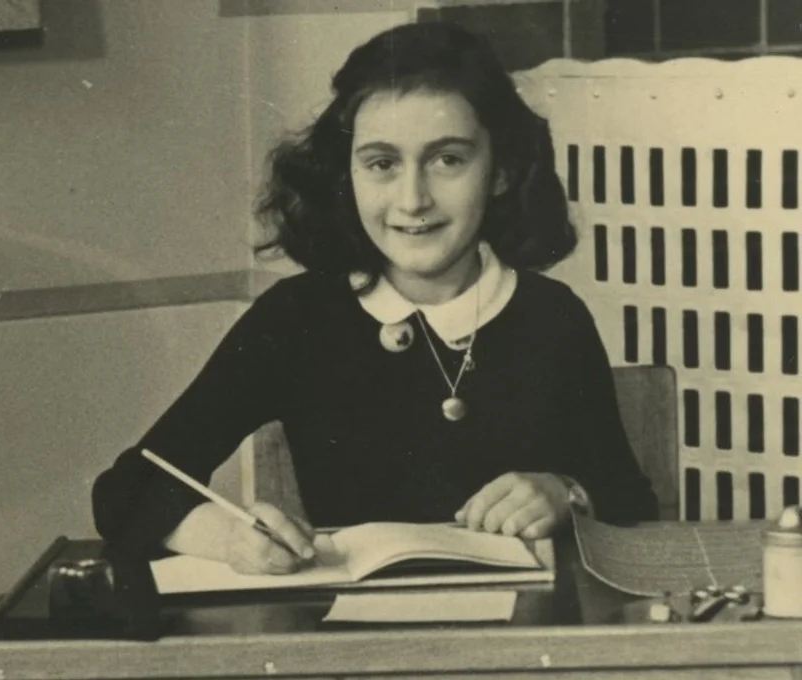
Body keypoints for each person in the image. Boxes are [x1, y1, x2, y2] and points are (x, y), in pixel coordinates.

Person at [92, 21, 658, 576]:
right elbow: (126, 489)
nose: (412, 200)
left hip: (523, 631)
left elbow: (631, 502)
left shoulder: (551, 316)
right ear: (348, 175)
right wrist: (228, 537)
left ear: (502, 171)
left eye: (448, 160)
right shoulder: (295, 319)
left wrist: (565, 492)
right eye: (382, 164)